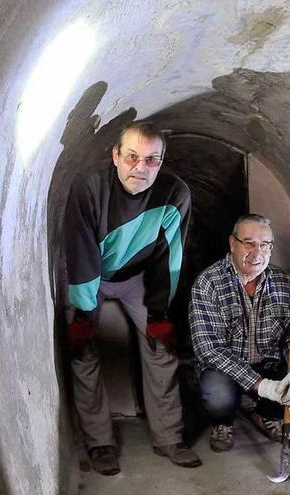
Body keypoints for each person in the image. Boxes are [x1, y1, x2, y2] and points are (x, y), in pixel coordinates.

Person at [64, 121, 201, 475]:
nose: (141, 168)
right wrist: (83, 314)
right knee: (83, 350)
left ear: (162, 161)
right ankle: (100, 442)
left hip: (136, 277)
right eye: (132, 157)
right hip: (91, 275)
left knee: (162, 347)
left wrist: (158, 313)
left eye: (152, 160)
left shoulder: (175, 194)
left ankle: (169, 437)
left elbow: (169, 258)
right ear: (115, 156)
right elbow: (80, 251)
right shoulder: (89, 189)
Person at [189, 213, 290, 452]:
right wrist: (260, 385)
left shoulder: (282, 282)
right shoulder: (208, 283)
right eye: (249, 243)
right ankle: (223, 423)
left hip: (269, 363)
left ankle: (266, 413)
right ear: (232, 244)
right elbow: (208, 349)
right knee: (218, 396)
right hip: (226, 369)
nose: (257, 252)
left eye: (265, 245)